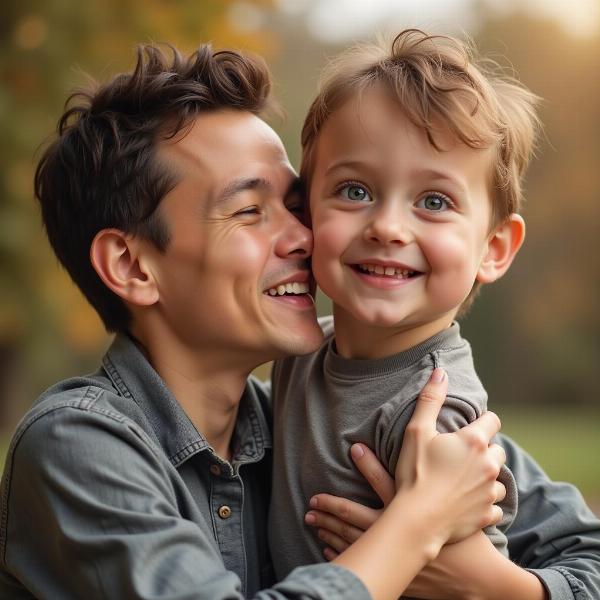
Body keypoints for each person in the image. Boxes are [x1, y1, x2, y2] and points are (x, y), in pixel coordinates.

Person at [0, 43, 506, 600]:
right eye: (249, 211)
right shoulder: (76, 446)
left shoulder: (312, 408)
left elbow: (581, 550)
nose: (304, 237)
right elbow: (432, 506)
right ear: (132, 265)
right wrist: (416, 527)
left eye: (296, 206)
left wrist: (503, 588)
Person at [268, 29, 600, 599]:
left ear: (494, 248)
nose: (388, 227)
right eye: (353, 190)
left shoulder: (435, 420)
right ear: (306, 209)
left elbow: (464, 584)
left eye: (435, 202)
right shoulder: (303, 355)